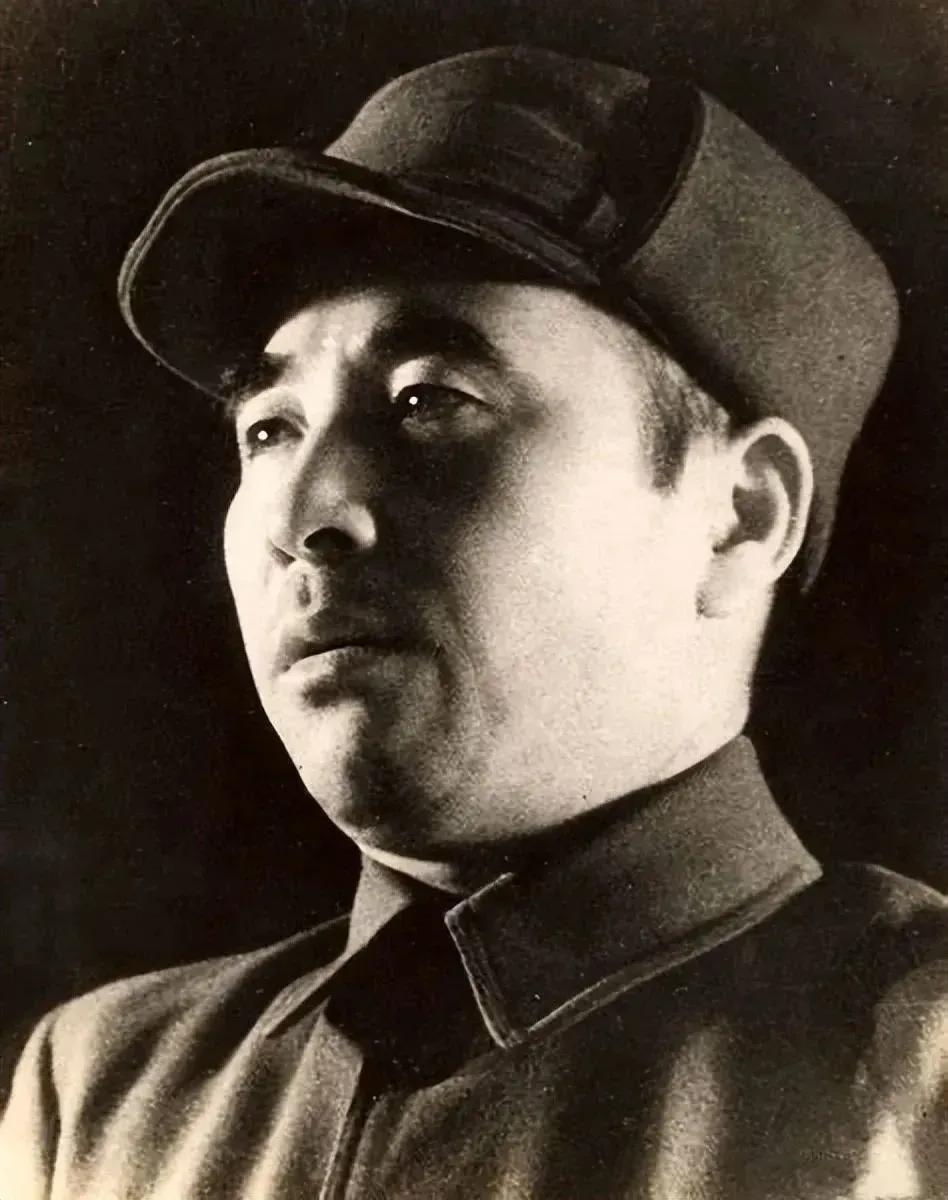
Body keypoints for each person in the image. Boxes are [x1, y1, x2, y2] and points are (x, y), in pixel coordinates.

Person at [1, 44, 946, 1200]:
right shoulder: (103, 1097)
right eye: (269, 428)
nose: (300, 515)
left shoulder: (925, 1078)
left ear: (739, 517)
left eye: (428, 401)